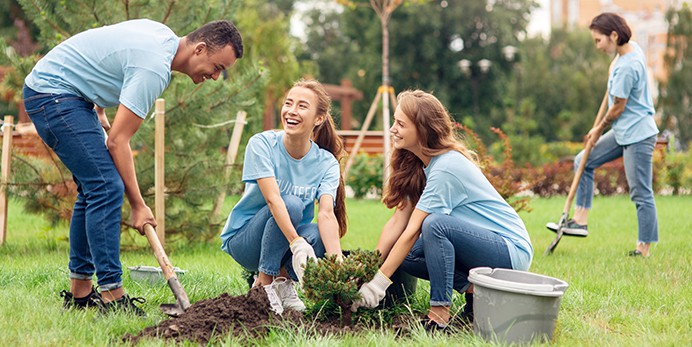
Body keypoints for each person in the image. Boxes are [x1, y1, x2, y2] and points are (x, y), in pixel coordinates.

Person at [23, 19, 244, 315]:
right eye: (217, 67)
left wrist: (99, 106)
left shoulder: (162, 37)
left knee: (93, 190)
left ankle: (80, 295)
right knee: (106, 186)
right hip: (54, 94)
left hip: (68, 93)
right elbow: (118, 142)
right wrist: (138, 206)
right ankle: (113, 297)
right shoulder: (154, 67)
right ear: (200, 48)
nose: (216, 77)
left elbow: (106, 49)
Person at [350, 90, 533, 330]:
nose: (393, 128)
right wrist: (366, 270)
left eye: (400, 124)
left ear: (422, 130)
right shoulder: (419, 164)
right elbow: (398, 222)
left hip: (510, 251)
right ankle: (477, 291)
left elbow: (413, 230)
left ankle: (439, 314)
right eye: (395, 121)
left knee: (435, 225)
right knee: (406, 252)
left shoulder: (446, 167)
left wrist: (378, 285)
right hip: (482, 249)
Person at [220, 79, 347, 314]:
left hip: (284, 240)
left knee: (319, 235)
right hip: (246, 241)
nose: (291, 111)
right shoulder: (262, 144)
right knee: (291, 203)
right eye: (288, 103)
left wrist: (337, 266)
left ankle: (283, 281)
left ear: (318, 119)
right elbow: (273, 200)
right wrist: (297, 243)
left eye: (301, 106)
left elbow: (327, 214)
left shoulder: (326, 162)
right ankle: (263, 285)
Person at [546, 12, 659, 258]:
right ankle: (580, 220)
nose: (597, 46)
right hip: (623, 131)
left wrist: (598, 129)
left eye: (599, 40)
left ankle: (644, 248)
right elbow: (614, 96)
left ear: (614, 36)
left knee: (641, 191)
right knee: (583, 160)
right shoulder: (627, 52)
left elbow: (618, 106)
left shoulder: (628, 66)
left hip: (638, 134)